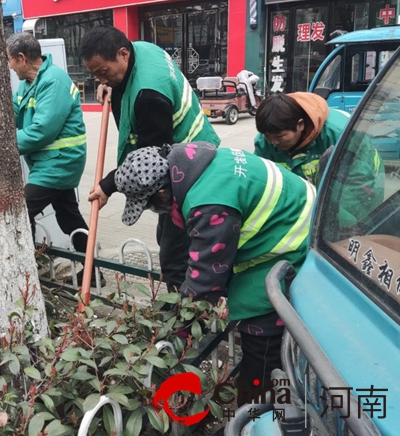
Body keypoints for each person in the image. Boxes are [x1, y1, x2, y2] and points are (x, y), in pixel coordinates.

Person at [114, 143, 315, 403]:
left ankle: (256, 417)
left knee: (260, 341)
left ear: (163, 192)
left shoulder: (209, 205)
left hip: (297, 247)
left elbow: (204, 282)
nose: (156, 212)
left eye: (152, 206)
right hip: (297, 220)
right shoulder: (193, 162)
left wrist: (175, 335)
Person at [79, 25, 221, 293]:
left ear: (122, 53)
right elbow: (121, 81)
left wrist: (108, 185)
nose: (101, 79)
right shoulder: (140, 49)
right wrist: (107, 84)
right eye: (95, 75)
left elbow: (147, 164)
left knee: (174, 252)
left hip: (189, 169)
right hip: (185, 155)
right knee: (168, 235)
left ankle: (184, 318)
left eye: (103, 72)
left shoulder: (149, 96)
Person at [7, 32, 105, 287]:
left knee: (22, 210)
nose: (9, 66)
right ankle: (94, 272)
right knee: (68, 216)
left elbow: (42, 131)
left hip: (59, 163)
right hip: (49, 162)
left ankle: (26, 269)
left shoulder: (54, 81)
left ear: (21, 58)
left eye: (10, 60)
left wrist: (4, 146)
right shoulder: (29, 83)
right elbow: (15, 113)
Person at [254, 92, 350, 184]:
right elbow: (259, 178)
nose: (274, 142)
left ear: (300, 125)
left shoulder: (337, 135)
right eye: (267, 136)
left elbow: (355, 181)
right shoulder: (264, 142)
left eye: (280, 136)